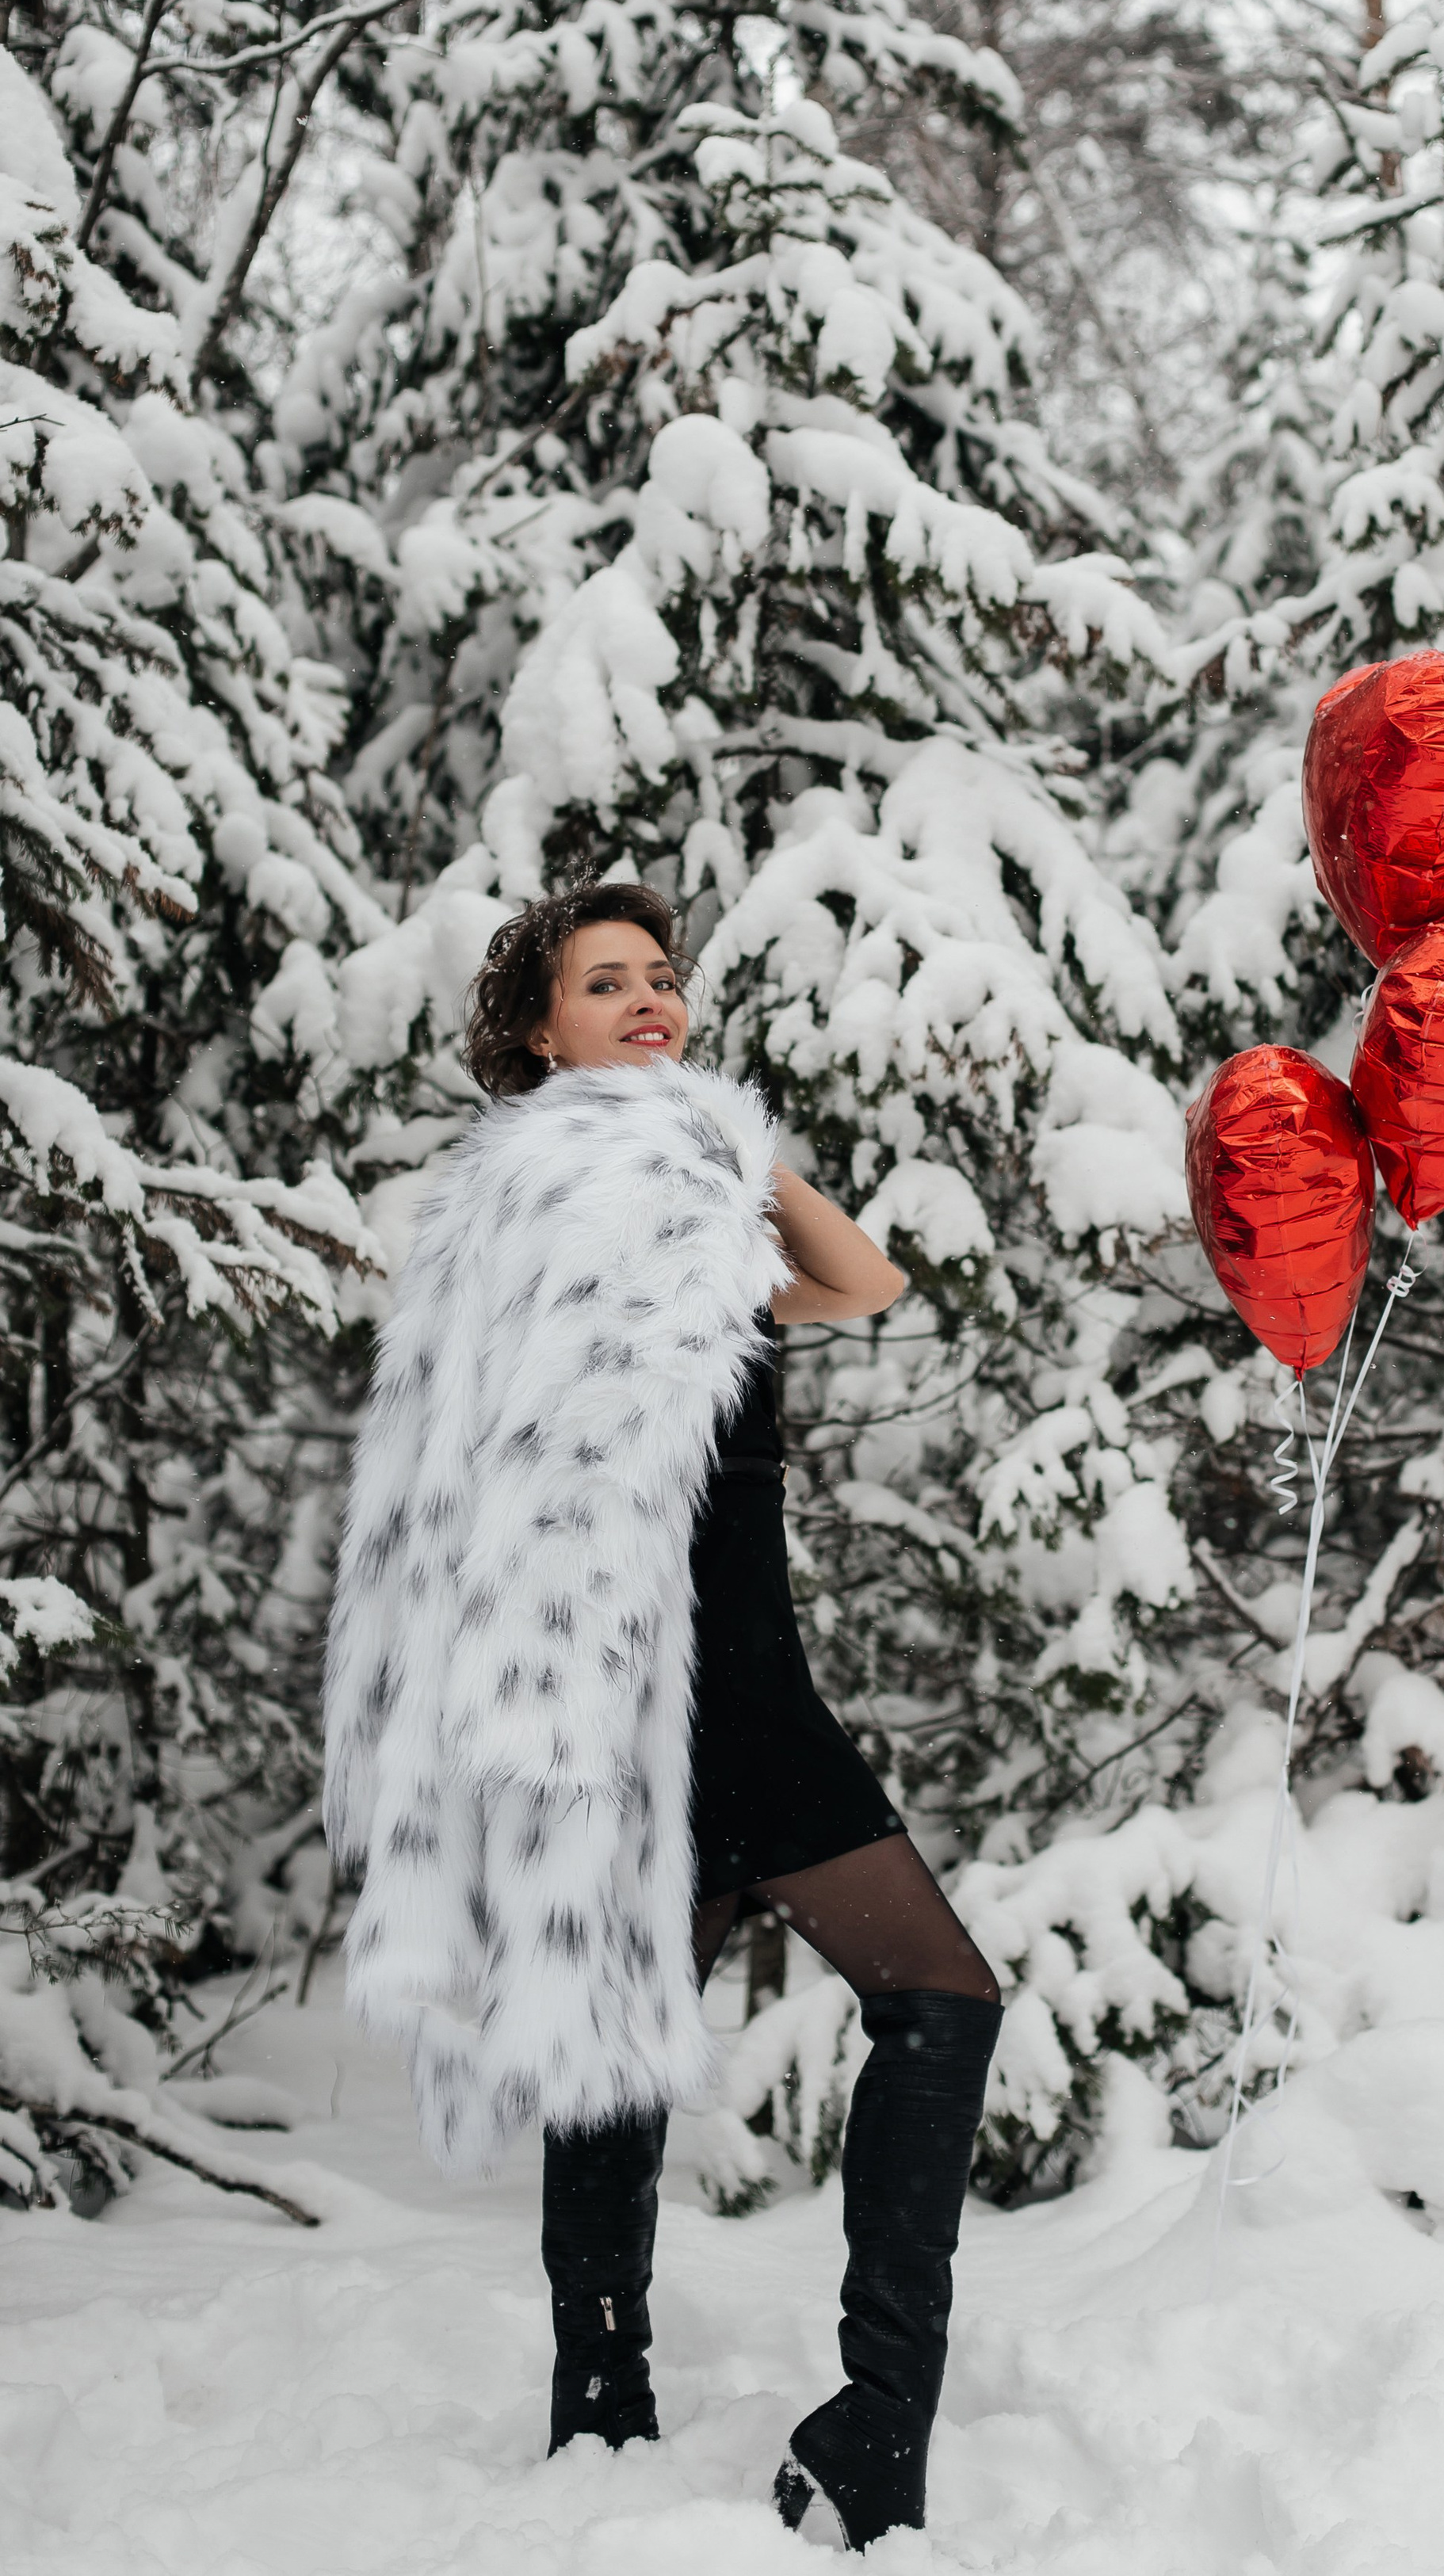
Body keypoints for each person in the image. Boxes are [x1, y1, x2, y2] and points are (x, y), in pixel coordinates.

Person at [323, 880, 1002, 2553]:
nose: (647, 1002)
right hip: (699, 1686)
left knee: (615, 2042)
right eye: (603, 984)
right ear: (535, 1031)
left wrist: (724, 1144)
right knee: (939, 1996)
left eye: (662, 982)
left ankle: (601, 2408)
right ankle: (874, 2431)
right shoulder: (568, 1190)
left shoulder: (662, 1181)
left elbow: (858, 1284)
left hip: (676, 1687)